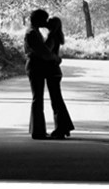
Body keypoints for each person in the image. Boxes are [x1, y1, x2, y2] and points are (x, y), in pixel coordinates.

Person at [24, 9, 61, 140]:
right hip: (35, 67)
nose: (46, 22)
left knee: (38, 98)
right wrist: (55, 58)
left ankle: (38, 129)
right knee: (37, 98)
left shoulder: (35, 32)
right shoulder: (32, 33)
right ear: (38, 20)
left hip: (37, 67)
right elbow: (44, 52)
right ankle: (38, 131)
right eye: (44, 20)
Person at [45, 17, 75, 139]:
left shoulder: (51, 38)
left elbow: (47, 53)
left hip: (52, 71)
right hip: (55, 71)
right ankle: (64, 126)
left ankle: (61, 128)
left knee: (56, 101)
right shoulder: (57, 37)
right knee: (58, 100)